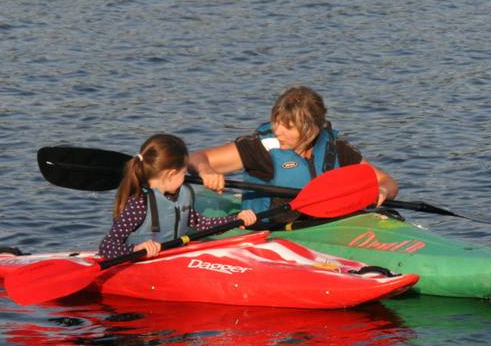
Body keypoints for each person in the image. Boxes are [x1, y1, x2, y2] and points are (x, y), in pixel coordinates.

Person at [189, 86, 399, 217]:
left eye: (288, 127)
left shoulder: (336, 150)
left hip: (329, 226)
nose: (277, 131)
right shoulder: (263, 148)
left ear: (312, 128)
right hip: (271, 229)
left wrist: (382, 191)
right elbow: (196, 158)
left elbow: (386, 181)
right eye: (276, 122)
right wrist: (206, 170)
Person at [98, 134, 257, 259]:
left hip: (168, 259)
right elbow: (107, 246)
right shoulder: (139, 204)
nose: (185, 178)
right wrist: (135, 249)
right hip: (137, 264)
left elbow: (205, 224)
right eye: (183, 173)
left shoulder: (180, 198)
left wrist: (236, 219)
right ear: (171, 174)